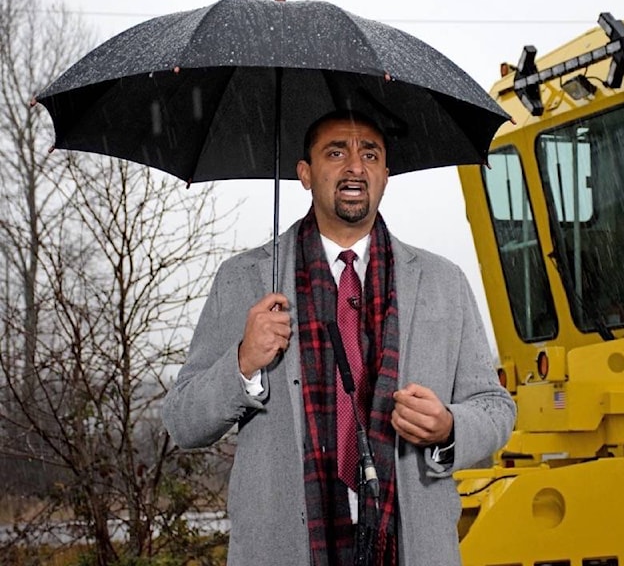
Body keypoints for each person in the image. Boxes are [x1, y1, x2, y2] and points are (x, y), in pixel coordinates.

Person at [162, 110, 516, 566]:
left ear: (385, 175)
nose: (355, 166)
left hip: (410, 546)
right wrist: (243, 362)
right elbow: (183, 421)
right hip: (283, 548)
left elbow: (495, 407)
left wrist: (449, 426)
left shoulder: (443, 282)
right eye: (337, 152)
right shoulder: (243, 280)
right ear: (305, 174)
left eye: (370, 154)